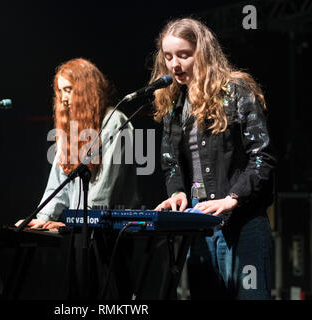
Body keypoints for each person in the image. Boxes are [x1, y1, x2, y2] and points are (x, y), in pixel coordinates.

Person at [152, 18, 276, 299]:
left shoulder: (236, 91)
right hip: (200, 225)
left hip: (242, 223)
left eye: (184, 55)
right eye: (169, 57)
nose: (175, 65)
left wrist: (233, 197)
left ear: (203, 53)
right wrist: (177, 192)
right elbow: (170, 160)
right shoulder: (174, 102)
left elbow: (263, 157)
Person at [15, 58, 139, 299]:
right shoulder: (70, 129)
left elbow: (104, 191)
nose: (62, 98)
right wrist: (41, 218)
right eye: (60, 91)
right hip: (79, 230)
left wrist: (71, 220)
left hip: (107, 234)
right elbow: (58, 183)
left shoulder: (115, 122)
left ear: (86, 90)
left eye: (68, 90)